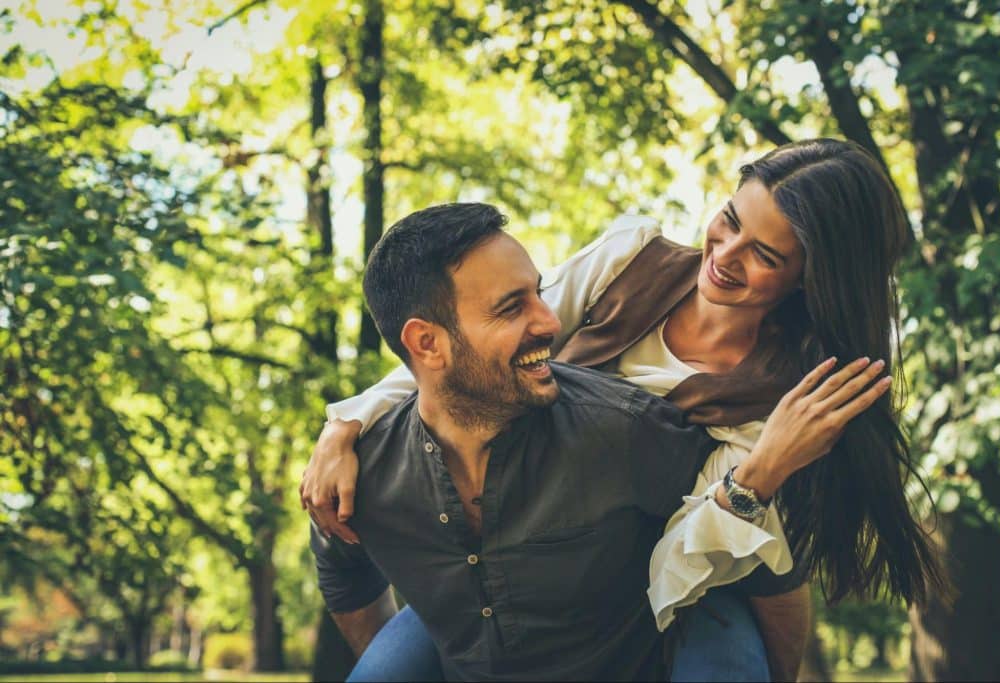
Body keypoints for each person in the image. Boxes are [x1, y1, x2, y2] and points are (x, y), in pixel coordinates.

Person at [304, 139, 942, 679]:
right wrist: (349, 422)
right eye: (730, 220)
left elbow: (685, 561)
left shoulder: (789, 396)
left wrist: (762, 471)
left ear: (811, 276)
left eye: (765, 256)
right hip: (535, 551)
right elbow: (468, 346)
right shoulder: (630, 261)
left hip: (684, 580)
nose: (724, 255)